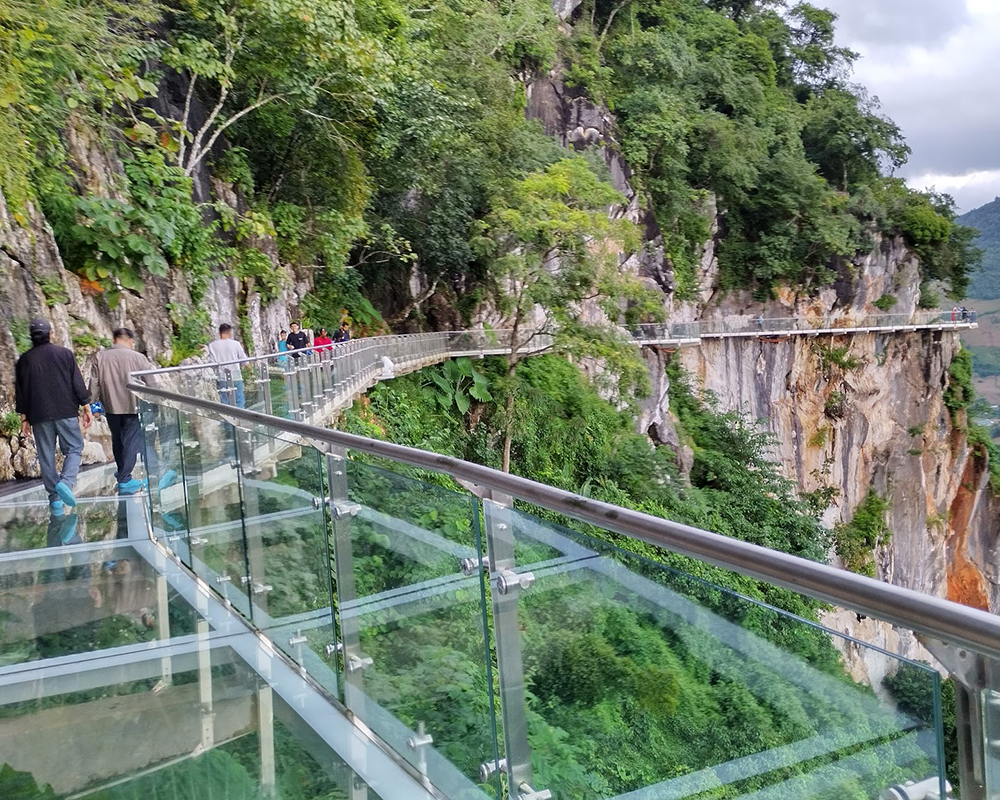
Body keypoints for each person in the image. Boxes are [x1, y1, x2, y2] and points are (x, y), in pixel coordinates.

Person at [15, 318, 93, 513]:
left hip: (38, 415)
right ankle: (66, 482)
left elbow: (21, 392)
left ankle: (55, 498)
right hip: (65, 410)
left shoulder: (24, 360)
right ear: (50, 334)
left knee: (46, 455)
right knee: (74, 447)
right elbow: (77, 382)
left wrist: (24, 419)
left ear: (31, 336)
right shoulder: (64, 354)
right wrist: (87, 407)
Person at [90, 327, 174, 494]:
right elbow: (151, 383)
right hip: (133, 406)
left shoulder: (100, 357)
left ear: (114, 340)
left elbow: (94, 385)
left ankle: (123, 472)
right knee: (131, 441)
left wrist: (93, 404)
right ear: (129, 341)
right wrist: (155, 403)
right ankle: (125, 477)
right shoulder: (138, 357)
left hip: (110, 407)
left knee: (117, 440)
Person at [207, 323, 248, 407]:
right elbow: (245, 361)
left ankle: (227, 420)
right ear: (230, 333)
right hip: (236, 377)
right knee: (239, 402)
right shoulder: (236, 344)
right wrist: (251, 371)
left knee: (225, 404)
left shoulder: (212, 346)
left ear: (219, 333)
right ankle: (240, 419)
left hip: (221, 378)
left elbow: (212, 364)